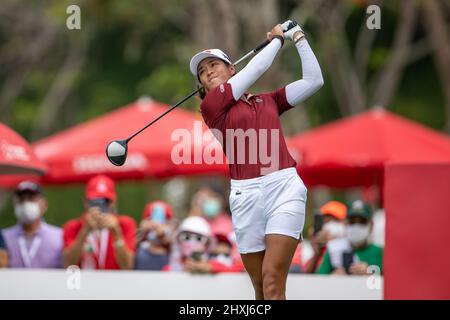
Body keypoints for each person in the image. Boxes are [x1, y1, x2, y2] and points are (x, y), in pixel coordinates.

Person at [189, 19, 323, 299]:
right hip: (245, 194)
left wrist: (298, 37)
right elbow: (258, 67)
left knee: (273, 281)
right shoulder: (211, 106)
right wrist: (277, 39)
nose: (208, 71)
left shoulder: (269, 100)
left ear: (231, 68)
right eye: (202, 71)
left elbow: (314, 80)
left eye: (214, 64)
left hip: (284, 186)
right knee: (261, 289)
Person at [63, 175, 136, 270]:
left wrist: (116, 233)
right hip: (84, 283)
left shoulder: (125, 224)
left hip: (115, 283)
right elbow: (68, 264)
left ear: (114, 203)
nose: (100, 207)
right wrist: (84, 231)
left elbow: (127, 266)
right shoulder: (74, 226)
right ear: (86, 203)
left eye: (106, 202)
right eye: (95, 202)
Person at [2, 181, 63, 268]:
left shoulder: (59, 237)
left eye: (31, 199)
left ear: (44, 205)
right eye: (21, 200)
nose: (25, 204)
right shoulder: (4, 238)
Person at [316, 200, 383, 275]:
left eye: (362, 222)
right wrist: (333, 277)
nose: (356, 226)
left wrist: (371, 272)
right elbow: (318, 280)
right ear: (345, 224)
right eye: (352, 221)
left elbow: (392, 280)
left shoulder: (381, 253)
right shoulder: (333, 249)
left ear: (371, 225)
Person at [305, 201, 347, 273]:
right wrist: (317, 254)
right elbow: (306, 276)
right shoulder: (319, 249)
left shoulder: (349, 247)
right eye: (326, 219)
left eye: (334, 220)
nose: (329, 224)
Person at [135, 201, 175, 270]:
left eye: (163, 221)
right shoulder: (139, 248)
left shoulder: (174, 251)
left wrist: (163, 236)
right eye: (151, 219)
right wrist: (142, 234)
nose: (157, 225)